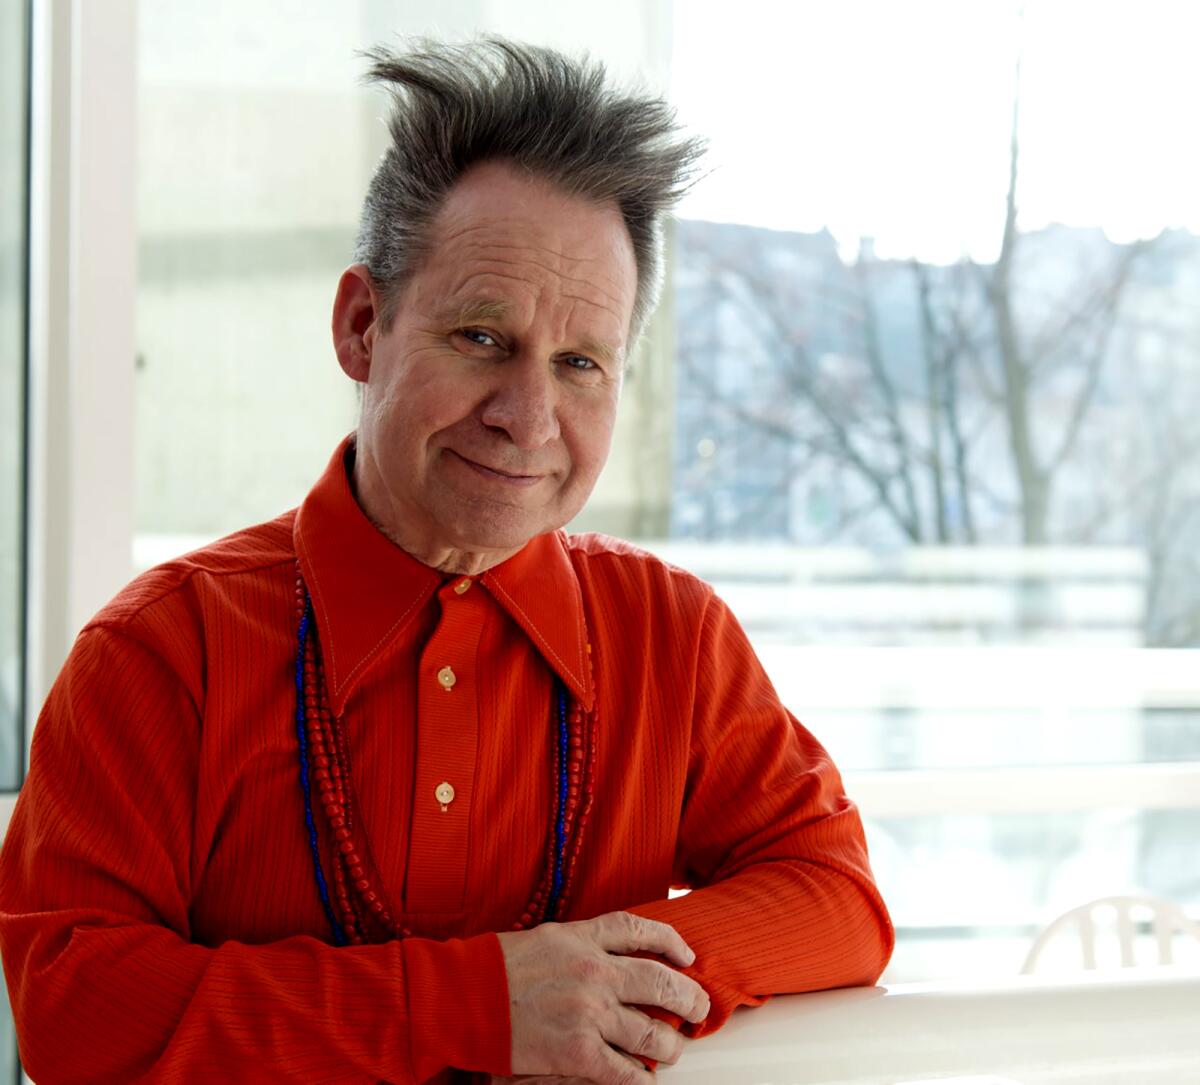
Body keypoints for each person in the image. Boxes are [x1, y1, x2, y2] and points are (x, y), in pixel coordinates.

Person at [0, 37, 893, 1085]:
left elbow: (838, 897)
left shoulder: (672, 634)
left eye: (579, 363)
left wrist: (586, 984)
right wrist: (474, 1003)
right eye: (480, 337)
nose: (528, 417)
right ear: (362, 325)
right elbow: (73, 1010)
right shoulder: (158, 649)